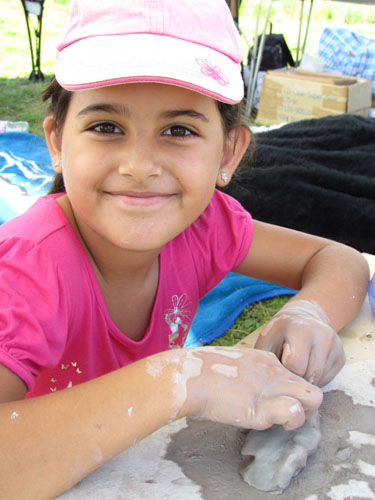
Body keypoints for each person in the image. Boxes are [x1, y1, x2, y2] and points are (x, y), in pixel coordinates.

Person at [0, 0, 369, 497]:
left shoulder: (202, 227)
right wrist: (180, 379)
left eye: (179, 130)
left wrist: (307, 315)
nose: (139, 164)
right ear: (58, 143)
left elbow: (337, 260)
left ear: (229, 152)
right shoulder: (27, 269)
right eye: (106, 127)